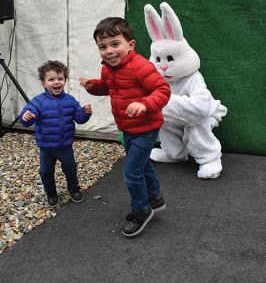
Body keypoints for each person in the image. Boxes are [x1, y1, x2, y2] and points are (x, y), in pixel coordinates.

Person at [80, 17, 170, 237]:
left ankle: (141, 210)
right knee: (142, 164)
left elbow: (163, 90)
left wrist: (144, 104)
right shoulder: (108, 69)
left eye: (115, 44)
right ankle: (155, 197)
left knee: (131, 172)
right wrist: (92, 86)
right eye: (103, 47)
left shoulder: (140, 66)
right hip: (127, 128)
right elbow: (107, 88)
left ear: (131, 44)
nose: (109, 51)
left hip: (146, 128)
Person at [19, 60, 92, 208]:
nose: (56, 82)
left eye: (60, 78)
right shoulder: (38, 101)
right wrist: (25, 117)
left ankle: (73, 188)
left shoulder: (70, 100)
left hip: (65, 145)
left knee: (71, 167)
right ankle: (51, 192)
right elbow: (25, 118)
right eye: (51, 79)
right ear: (43, 83)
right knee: (46, 171)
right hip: (46, 147)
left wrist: (85, 113)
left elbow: (79, 118)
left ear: (65, 80)